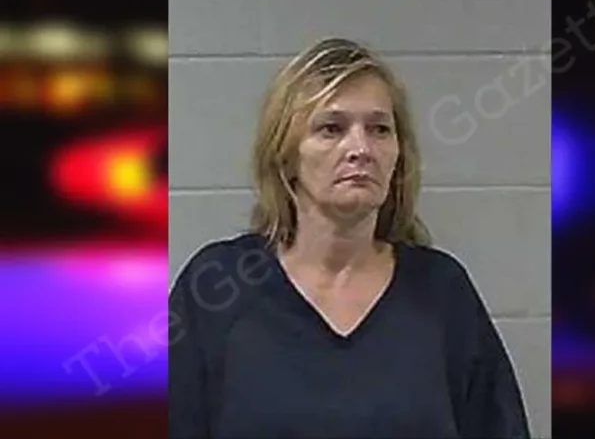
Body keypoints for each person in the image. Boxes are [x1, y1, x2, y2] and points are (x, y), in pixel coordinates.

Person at [169, 37, 530, 438]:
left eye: (379, 129)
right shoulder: (218, 288)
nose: (361, 148)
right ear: (286, 156)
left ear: (398, 155)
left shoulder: (441, 292)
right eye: (332, 129)